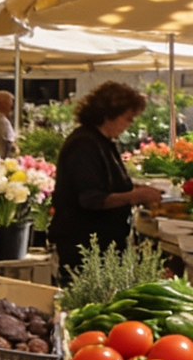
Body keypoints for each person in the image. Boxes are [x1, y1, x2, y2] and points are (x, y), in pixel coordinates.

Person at [50, 82, 161, 277]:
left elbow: (108, 182)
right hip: (84, 246)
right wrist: (134, 196)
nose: (129, 125)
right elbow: (91, 198)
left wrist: (135, 188)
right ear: (108, 114)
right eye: (127, 119)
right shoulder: (84, 144)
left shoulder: (102, 141)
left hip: (103, 244)